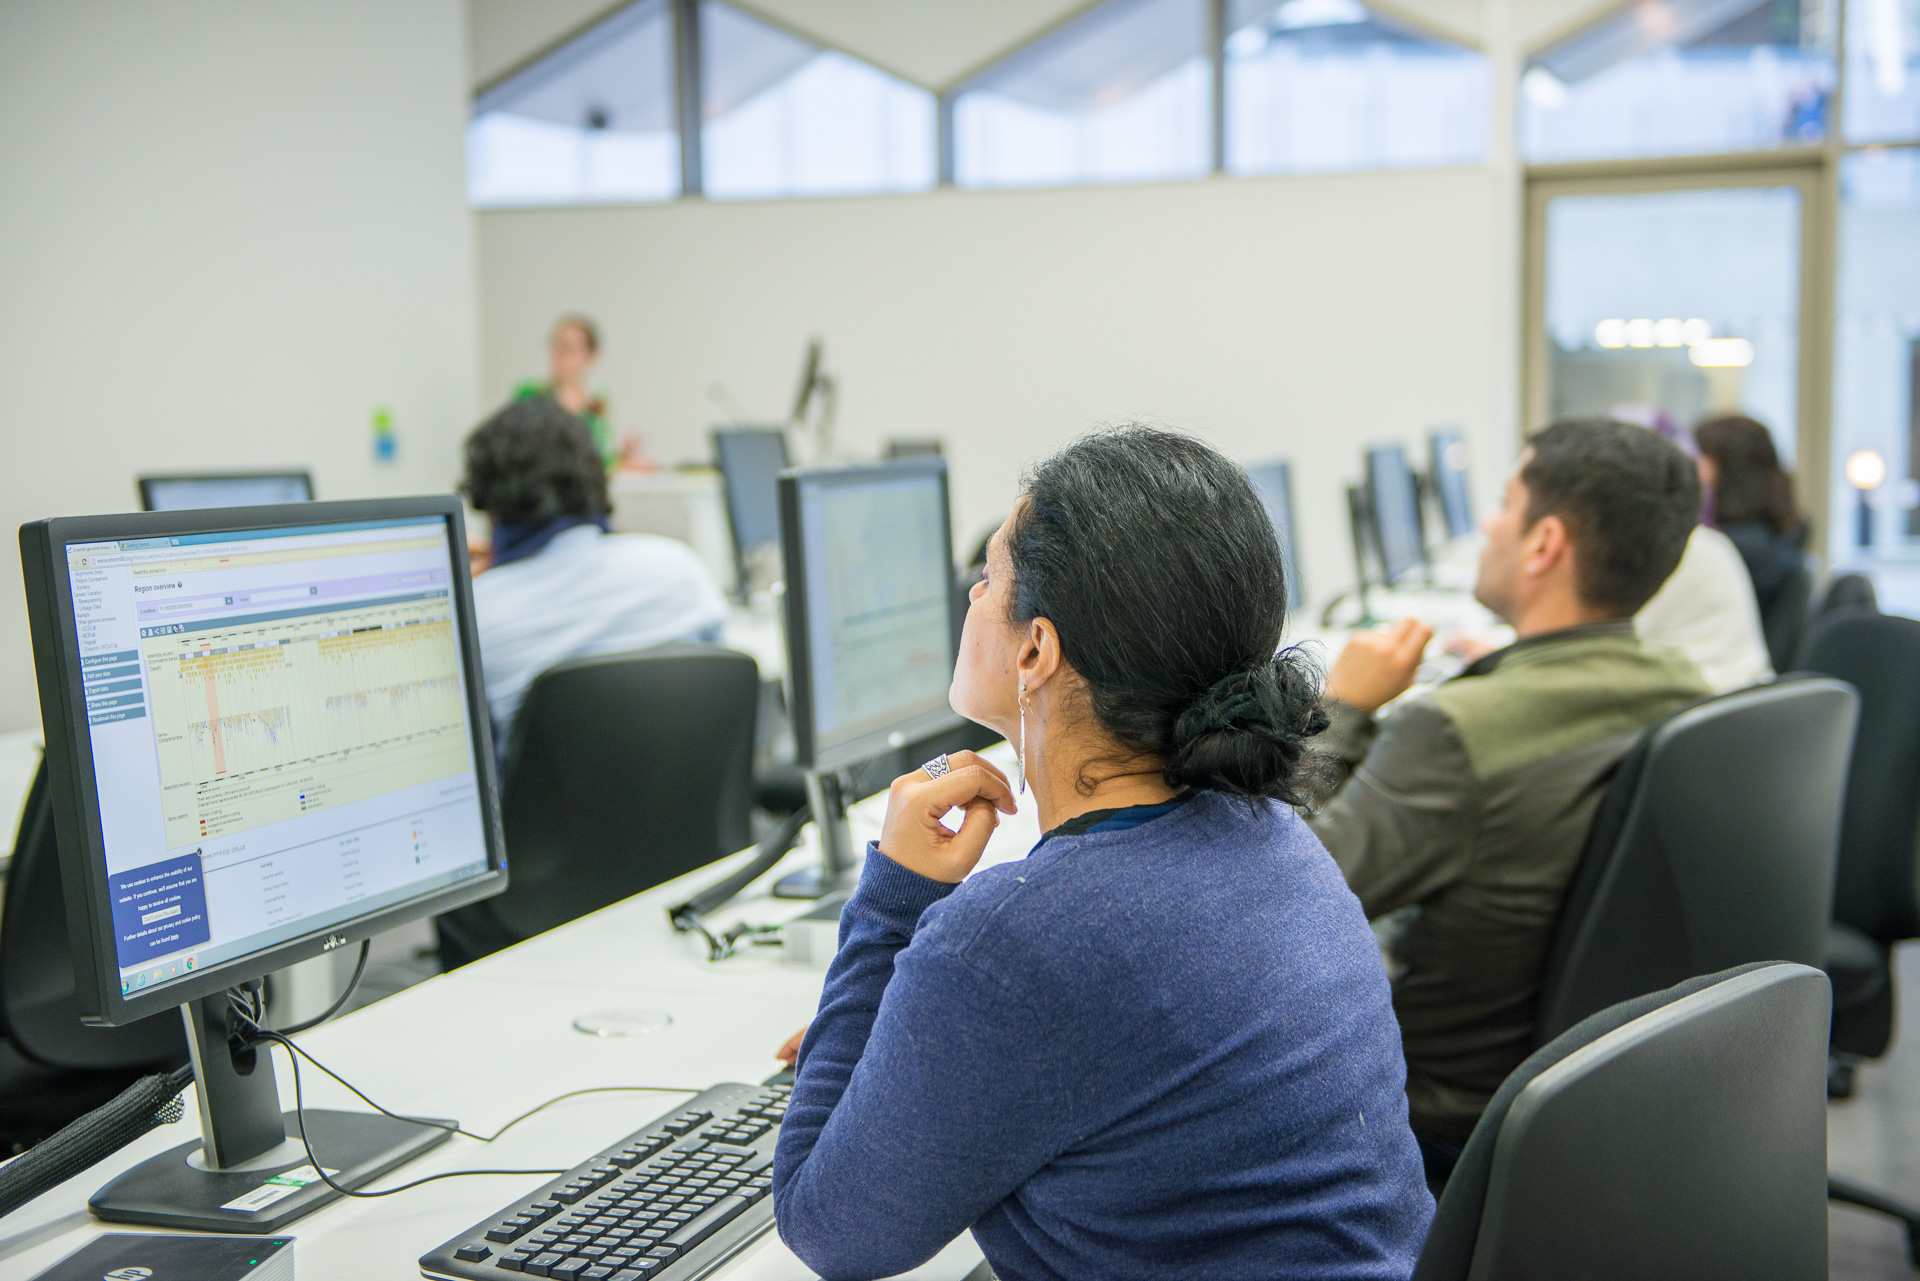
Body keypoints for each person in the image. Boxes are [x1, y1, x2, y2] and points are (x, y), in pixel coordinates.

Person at [773, 427, 1433, 1280]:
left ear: (1036, 650)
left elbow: (828, 1229)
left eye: (987, 576)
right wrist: (923, 1018)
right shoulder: (1271, 833)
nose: (971, 594)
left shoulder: (1015, 941)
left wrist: (895, 899)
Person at [1306, 418, 1713, 1184]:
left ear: (1544, 543)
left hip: (1430, 1114)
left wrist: (1342, 708)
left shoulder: (1453, 731)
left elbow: (1280, 890)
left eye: (1503, 502)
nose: (1487, 524)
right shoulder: (1686, 688)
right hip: (1595, 1085)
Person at [462, 395, 726, 752]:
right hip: (692, 807)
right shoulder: (682, 571)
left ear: (491, 505)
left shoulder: (478, 614)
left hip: (542, 809)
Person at [1633, 523, 1774, 692]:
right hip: (1753, 696)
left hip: (1698, 700)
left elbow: (1609, 637)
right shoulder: (1714, 543)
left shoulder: (1657, 553)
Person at [1694, 413, 1808, 621]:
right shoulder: (1780, 535)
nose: (1696, 468)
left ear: (1725, 468)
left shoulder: (1728, 546)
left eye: (1702, 457)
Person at [514, 314, 616, 471]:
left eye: (569, 348)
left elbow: (601, 457)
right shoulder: (530, 394)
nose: (559, 354)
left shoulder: (594, 402)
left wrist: (623, 459)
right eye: (556, 345)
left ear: (589, 356)